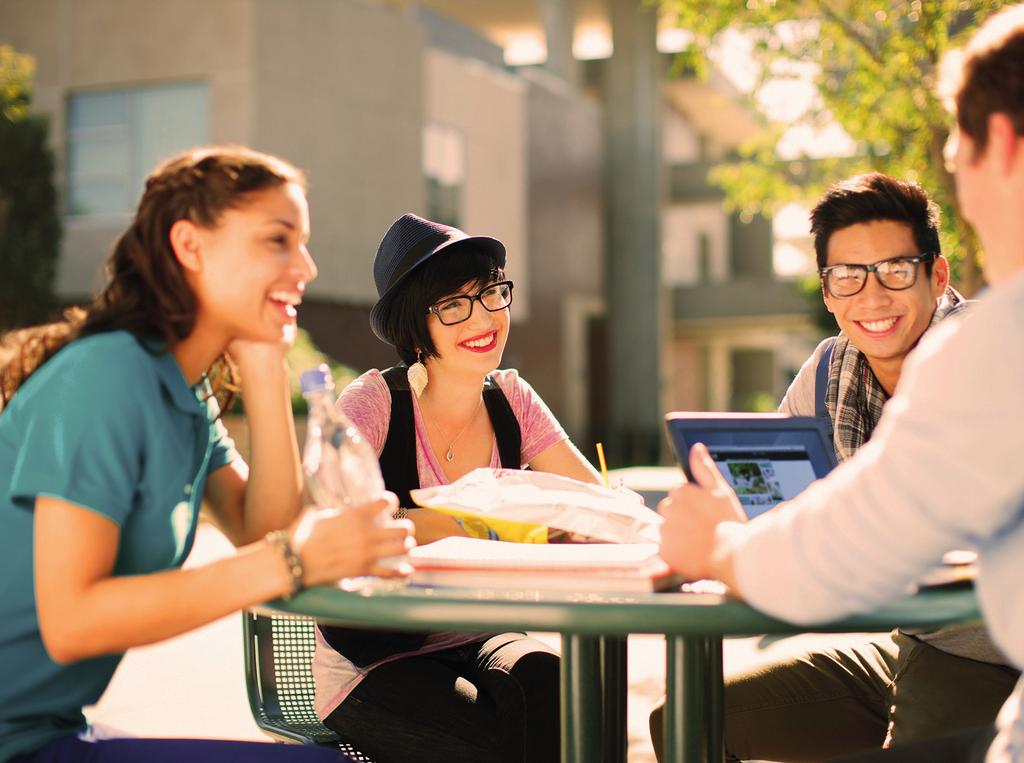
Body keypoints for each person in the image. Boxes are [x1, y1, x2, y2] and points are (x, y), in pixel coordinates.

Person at [656, 5, 1024, 762]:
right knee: (687, 719)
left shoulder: (989, 348)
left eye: (895, 271)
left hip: (985, 654)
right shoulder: (830, 372)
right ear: (826, 289)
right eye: (848, 278)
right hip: (904, 638)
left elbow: (847, 541)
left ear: (1004, 148)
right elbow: (802, 510)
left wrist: (719, 546)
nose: (874, 296)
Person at [0, 146, 413, 763]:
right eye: (278, 240)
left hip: (47, 734)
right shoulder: (106, 378)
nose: (306, 266)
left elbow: (263, 528)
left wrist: (262, 357)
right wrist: (294, 561)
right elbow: (73, 621)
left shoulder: (184, 393)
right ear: (190, 246)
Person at [312, 213, 601, 763]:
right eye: (453, 305)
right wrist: (485, 524)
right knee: (500, 745)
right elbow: (334, 525)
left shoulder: (513, 400)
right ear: (412, 326)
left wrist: (598, 515)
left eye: (492, 293)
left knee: (558, 688)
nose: (484, 317)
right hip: (377, 657)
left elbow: (594, 503)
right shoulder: (373, 405)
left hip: (483, 636)